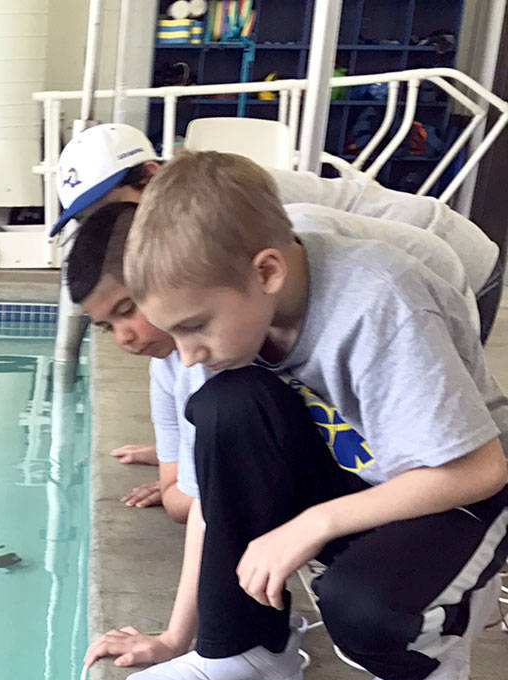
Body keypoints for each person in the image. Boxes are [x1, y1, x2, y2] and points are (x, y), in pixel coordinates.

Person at [89, 150, 508, 680]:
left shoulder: (378, 301)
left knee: (364, 613)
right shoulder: (225, 324)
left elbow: (478, 469)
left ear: (267, 272)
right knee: (226, 406)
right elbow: (217, 497)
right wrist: (176, 637)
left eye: (194, 328)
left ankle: (442, 635)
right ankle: (248, 650)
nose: (186, 357)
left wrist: (315, 523)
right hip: (366, 482)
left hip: (460, 490)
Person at [68, 195, 480, 527]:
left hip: (459, 268)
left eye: (127, 310)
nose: (124, 338)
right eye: (107, 327)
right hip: (384, 300)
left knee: (430, 434)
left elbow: (466, 460)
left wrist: (310, 519)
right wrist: (199, 467)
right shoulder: (213, 325)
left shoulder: (334, 280)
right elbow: (196, 499)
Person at [54, 122, 503, 342]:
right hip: (389, 255)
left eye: (109, 212)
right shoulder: (187, 215)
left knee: (440, 397)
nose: (110, 231)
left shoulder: (221, 205)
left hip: (450, 257)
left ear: (150, 175)